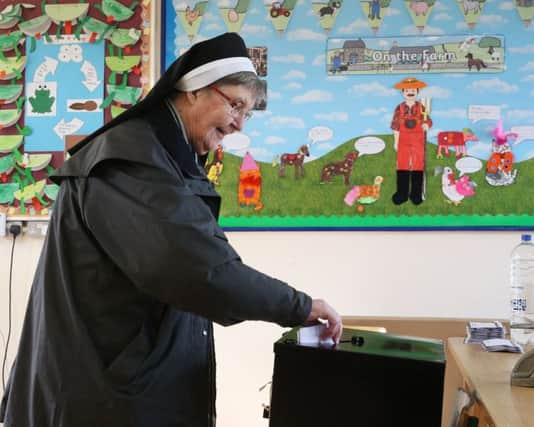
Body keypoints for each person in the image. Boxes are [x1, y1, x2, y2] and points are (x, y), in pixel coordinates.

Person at [0, 33, 342, 427]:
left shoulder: (161, 157)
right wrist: (299, 306)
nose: (238, 124)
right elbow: (200, 270)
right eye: (235, 105)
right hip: (102, 400)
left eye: (247, 114)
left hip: (126, 392)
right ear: (193, 91)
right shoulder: (130, 161)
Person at [390, 76, 432, 205]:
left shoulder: (421, 107)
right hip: (403, 138)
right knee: (402, 165)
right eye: (407, 90)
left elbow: (428, 120)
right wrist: (396, 141)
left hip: (418, 138)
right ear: (402, 92)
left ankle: (416, 195)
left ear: (417, 91)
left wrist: (427, 125)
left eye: (413, 89)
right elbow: (396, 125)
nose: (410, 92)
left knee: (418, 165)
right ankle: (402, 194)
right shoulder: (399, 108)